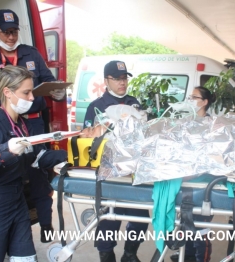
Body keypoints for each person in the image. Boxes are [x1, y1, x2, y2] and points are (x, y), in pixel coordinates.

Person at [0, 9, 66, 243]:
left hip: (34, 122)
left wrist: (56, 93)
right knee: (6, 167)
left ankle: (46, 226)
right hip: (7, 123)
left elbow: (48, 81)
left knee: (39, 173)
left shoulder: (31, 54)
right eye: (6, 32)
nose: (10, 37)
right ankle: (9, 223)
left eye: (14, 31)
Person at [0, 66, 67, 261]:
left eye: (31, 92)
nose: (32, 98)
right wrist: (4, 152)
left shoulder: (20, 124)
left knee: (26, 257)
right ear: (7, 92)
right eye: (26, 93)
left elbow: (34, 158)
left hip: (16, 201)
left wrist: (69, 154)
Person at [84, 60, 149, 262]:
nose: (122, 83)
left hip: (132, 172)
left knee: (140, 217)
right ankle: (106, 256)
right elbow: (87, 138)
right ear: (106, 80)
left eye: (124, 78)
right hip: (108, 172)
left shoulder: (134, 103)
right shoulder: (96, 107)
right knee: (108, 220)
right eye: (117, 79)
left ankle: (130, 254)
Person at [170, 86, 216, 262]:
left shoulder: (212, 126)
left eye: (194, 97)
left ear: (205, 102)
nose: (190, 101)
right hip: (185, 180)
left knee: (200, 227)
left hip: (203, 184)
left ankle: (201, 258)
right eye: (190, 97)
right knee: (186, 221)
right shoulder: (186, 121)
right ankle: (187, 256)